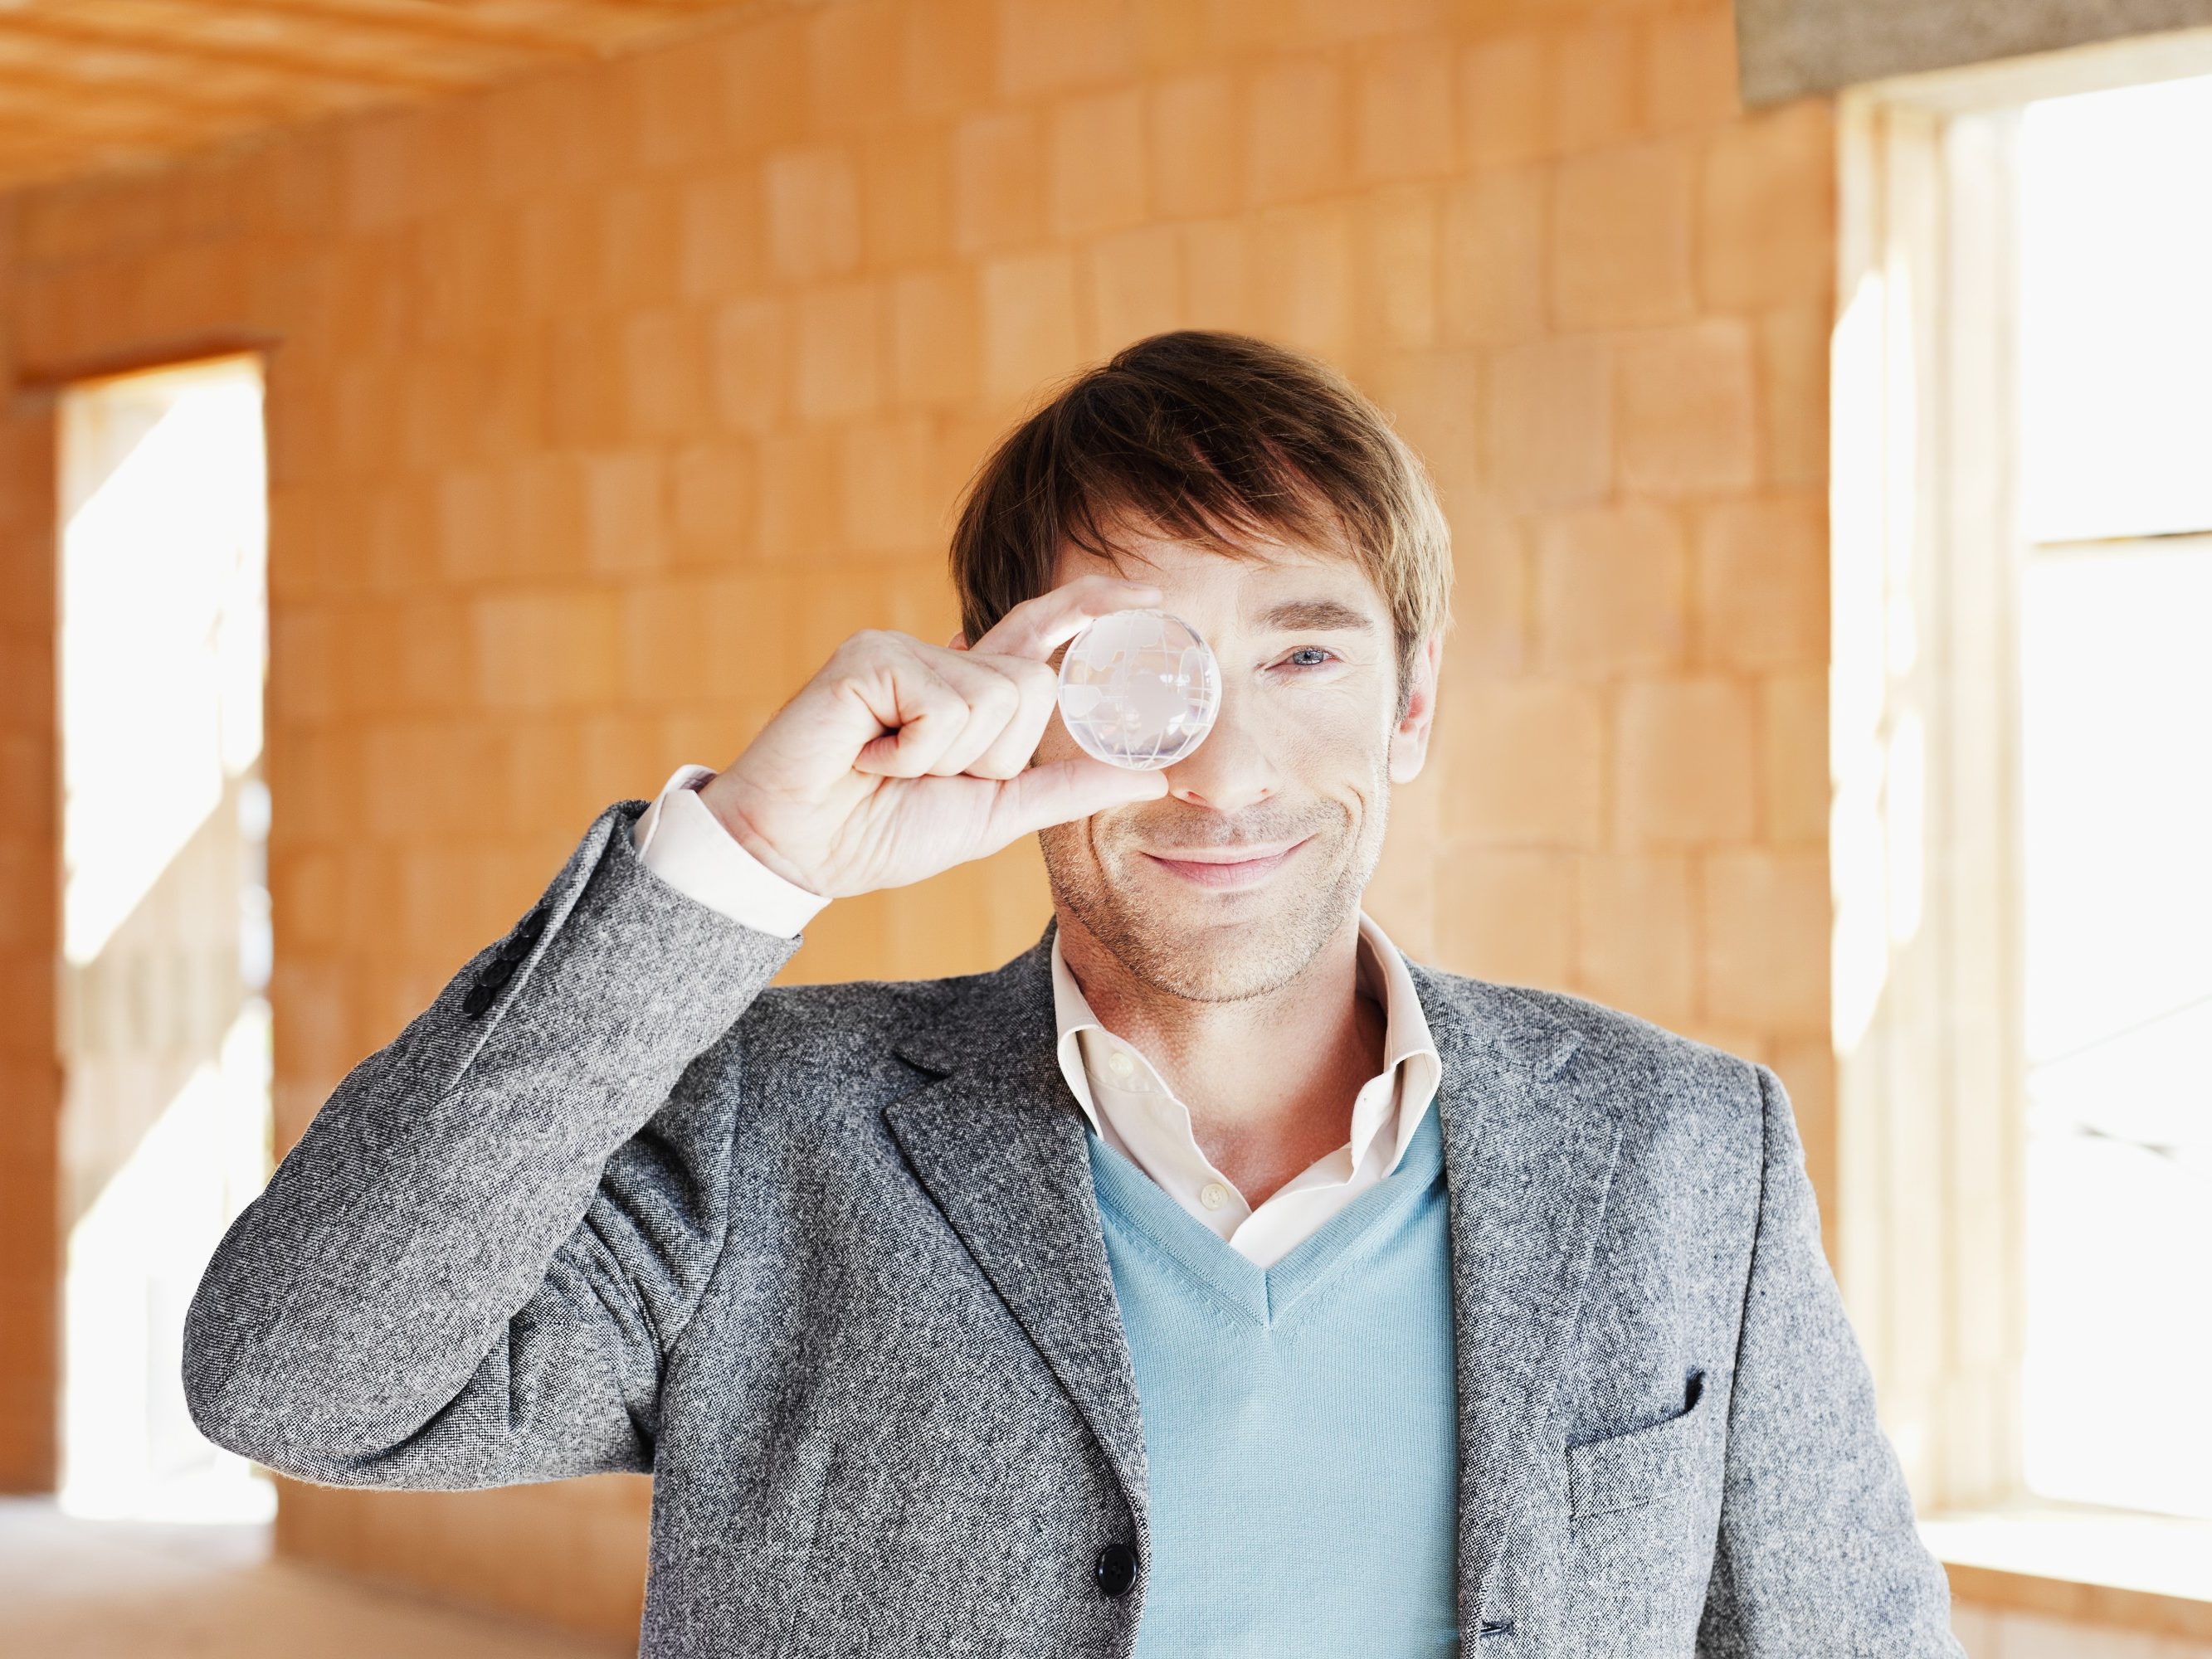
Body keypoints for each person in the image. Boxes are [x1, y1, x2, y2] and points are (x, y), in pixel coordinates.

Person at [182, 330, 1963, 1657]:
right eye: (1141, 670)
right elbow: (296, 1376)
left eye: (1305, 653)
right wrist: (740, 859)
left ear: (1410, 707)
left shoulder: (1679, 1149)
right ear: (1014, 694)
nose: (1226, 768)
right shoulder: (774, 1131)